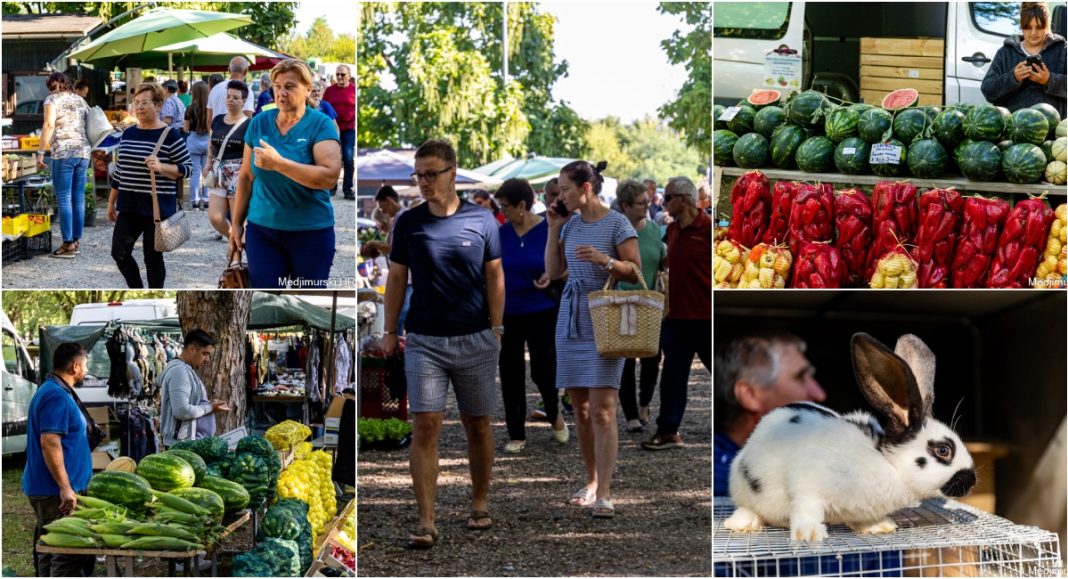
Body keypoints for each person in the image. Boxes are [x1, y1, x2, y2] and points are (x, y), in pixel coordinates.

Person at [381, 138, 504, 548]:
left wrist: (498, 329)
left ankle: (480, 501)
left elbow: (495, 277)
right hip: (424, 340)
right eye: (419, 175)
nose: (424, 182)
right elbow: (396, 278)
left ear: (453, 173)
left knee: (478, 423)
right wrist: (388, 330)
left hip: (475, 336)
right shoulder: (409, 223)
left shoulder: (483, 220)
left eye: (431, 174)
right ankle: (426, 519)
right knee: (425, 424)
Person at [545, 160, 640, 518]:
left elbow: (635, 271)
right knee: (581, 410)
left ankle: (605, 491)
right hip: (572, 316)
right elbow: (553, 273)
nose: (560, 196)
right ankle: (590, 479)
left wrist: (606, 261)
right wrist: (554, 228)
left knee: (603, 410)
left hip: (606, 314)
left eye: (565, 189)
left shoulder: (617, 223)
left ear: (586, 188)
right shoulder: (567, 224)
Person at [231, 59, 341, 288]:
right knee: (266, 299)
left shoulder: (321, 124)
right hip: (263, 230)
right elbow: (246, 176)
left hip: (310, 231)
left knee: (308, 300)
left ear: (308, 89)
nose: (281, 92)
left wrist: (279, 164)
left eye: (289, 86)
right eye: (277, 85)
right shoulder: (259, 122)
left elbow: (329, 177)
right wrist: (236, 224)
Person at [494, 178, 569, 453]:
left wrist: (553, 275)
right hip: (509, 312)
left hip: (542, 310)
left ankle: (554, 413)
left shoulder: (548, 229)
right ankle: (516, 433)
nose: (502, 212)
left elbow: (567, 265)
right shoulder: (500, 234)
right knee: (510, 372)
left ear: (522, 205)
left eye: (505, 207)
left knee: (544, 371)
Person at [643, 177, 712, 451]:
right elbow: (668, 260)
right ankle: (668, 430)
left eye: (669, 197)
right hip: (678, 318)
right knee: (672, 377)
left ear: (684, 199)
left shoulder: (709, 228)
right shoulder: (670, 231)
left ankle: (745, 424)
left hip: (707, 318)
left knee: (724, 374)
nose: (663, 201)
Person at [712, 333, 826, 496]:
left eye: (811, 377)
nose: (819, 394)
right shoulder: (725, 483)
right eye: (800, 377)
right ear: (749, 395)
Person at [108, 82, 192, 288]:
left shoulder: (170, 135)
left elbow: (187, 168)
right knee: (119, 252)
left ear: (159, 105)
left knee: (152, 257)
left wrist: (162, 166)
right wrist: (111, 202)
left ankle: (156, 291)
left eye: (145, 103)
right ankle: (136, 288)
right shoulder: (128, 133)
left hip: (157, 207)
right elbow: (120, 170)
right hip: (128, 204)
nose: (140, 107)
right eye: (137, 103)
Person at [24, 343, 95, 577]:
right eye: (85, 365)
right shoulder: (55, 395)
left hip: (53, 490)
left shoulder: (55, 390)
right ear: (75, 366)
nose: (86, 370)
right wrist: (65, 487)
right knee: (66, 554)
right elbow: (50, 443)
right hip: (55, 493)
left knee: (50, 549)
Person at [615, 179, 666, 433]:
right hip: (621, 301)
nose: (647, 206)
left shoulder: (655, 229)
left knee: (652, 356)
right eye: (641, 203)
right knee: (625, 360)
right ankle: (631, 415)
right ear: (625, 205)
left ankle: (645, 403)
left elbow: (660, 260)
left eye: (648, 201)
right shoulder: (614, 229)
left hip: (649, 301)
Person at [981, 1, 1066, 118]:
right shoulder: (1005, 53)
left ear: (1047, 25)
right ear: (1021, 26)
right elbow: (988, 91)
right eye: (1028, 27)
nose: (1033, 33)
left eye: (1039, 27)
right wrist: (1013, 78)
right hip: (1014, 128)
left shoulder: (1062, 50)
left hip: (1054, 131)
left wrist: (1049, 80)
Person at [37, 72, 90, 259]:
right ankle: (76, 240)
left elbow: (49, 125)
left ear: (50, 85)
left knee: (64, 197)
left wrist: (40, 152)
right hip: (83, 152)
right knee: (78, 198)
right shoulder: (79, 99)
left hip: (63, 152)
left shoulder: (51, 100)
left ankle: (68, 244)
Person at [160, 330, 231, 447]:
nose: (208, 359)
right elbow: (182, 410)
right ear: (192, 349)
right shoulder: (179, 372)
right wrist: (209, 407)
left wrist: (208, 405)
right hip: (181, 446)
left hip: (186, 444)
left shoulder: (184, 370)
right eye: (205, 353)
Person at [205, 80, 251, 240]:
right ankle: (237, 242)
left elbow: (249, 153)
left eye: (235, 97)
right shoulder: (217, 120)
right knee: (215, 217)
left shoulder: (249, 124)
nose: (230, 100)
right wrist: (208, 162)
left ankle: (238, 257)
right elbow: (211, 142)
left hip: (237, 174)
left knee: (238, 220)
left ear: (244, 101)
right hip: (218, 173)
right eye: (228, 96)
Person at [322, 64, 355, 199]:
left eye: (342, 74)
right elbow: (322, 107)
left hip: (348, 129)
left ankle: (347, 189)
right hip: (332, 129)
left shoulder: (354, 91)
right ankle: (332, 187)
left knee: (348, 158)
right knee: (333, 158)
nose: (340, 77)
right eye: (338, 74)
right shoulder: (329, 90)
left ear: (349, 75)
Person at [183, 80, 211, 211]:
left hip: (193, 140)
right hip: (207, 141)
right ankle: (206, 199)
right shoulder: (210, 108)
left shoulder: (189, 108)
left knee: (194, 173)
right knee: (206, 171)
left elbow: (185, 128)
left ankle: (194, 201)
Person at [207, 56, 254, 121]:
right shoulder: (246, 90)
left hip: (215, 130)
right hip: (237, 130)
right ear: (246, 71)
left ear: (229, 70)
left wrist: (211, 131)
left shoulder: (215, 89)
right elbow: (247, 119)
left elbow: (209, 120)